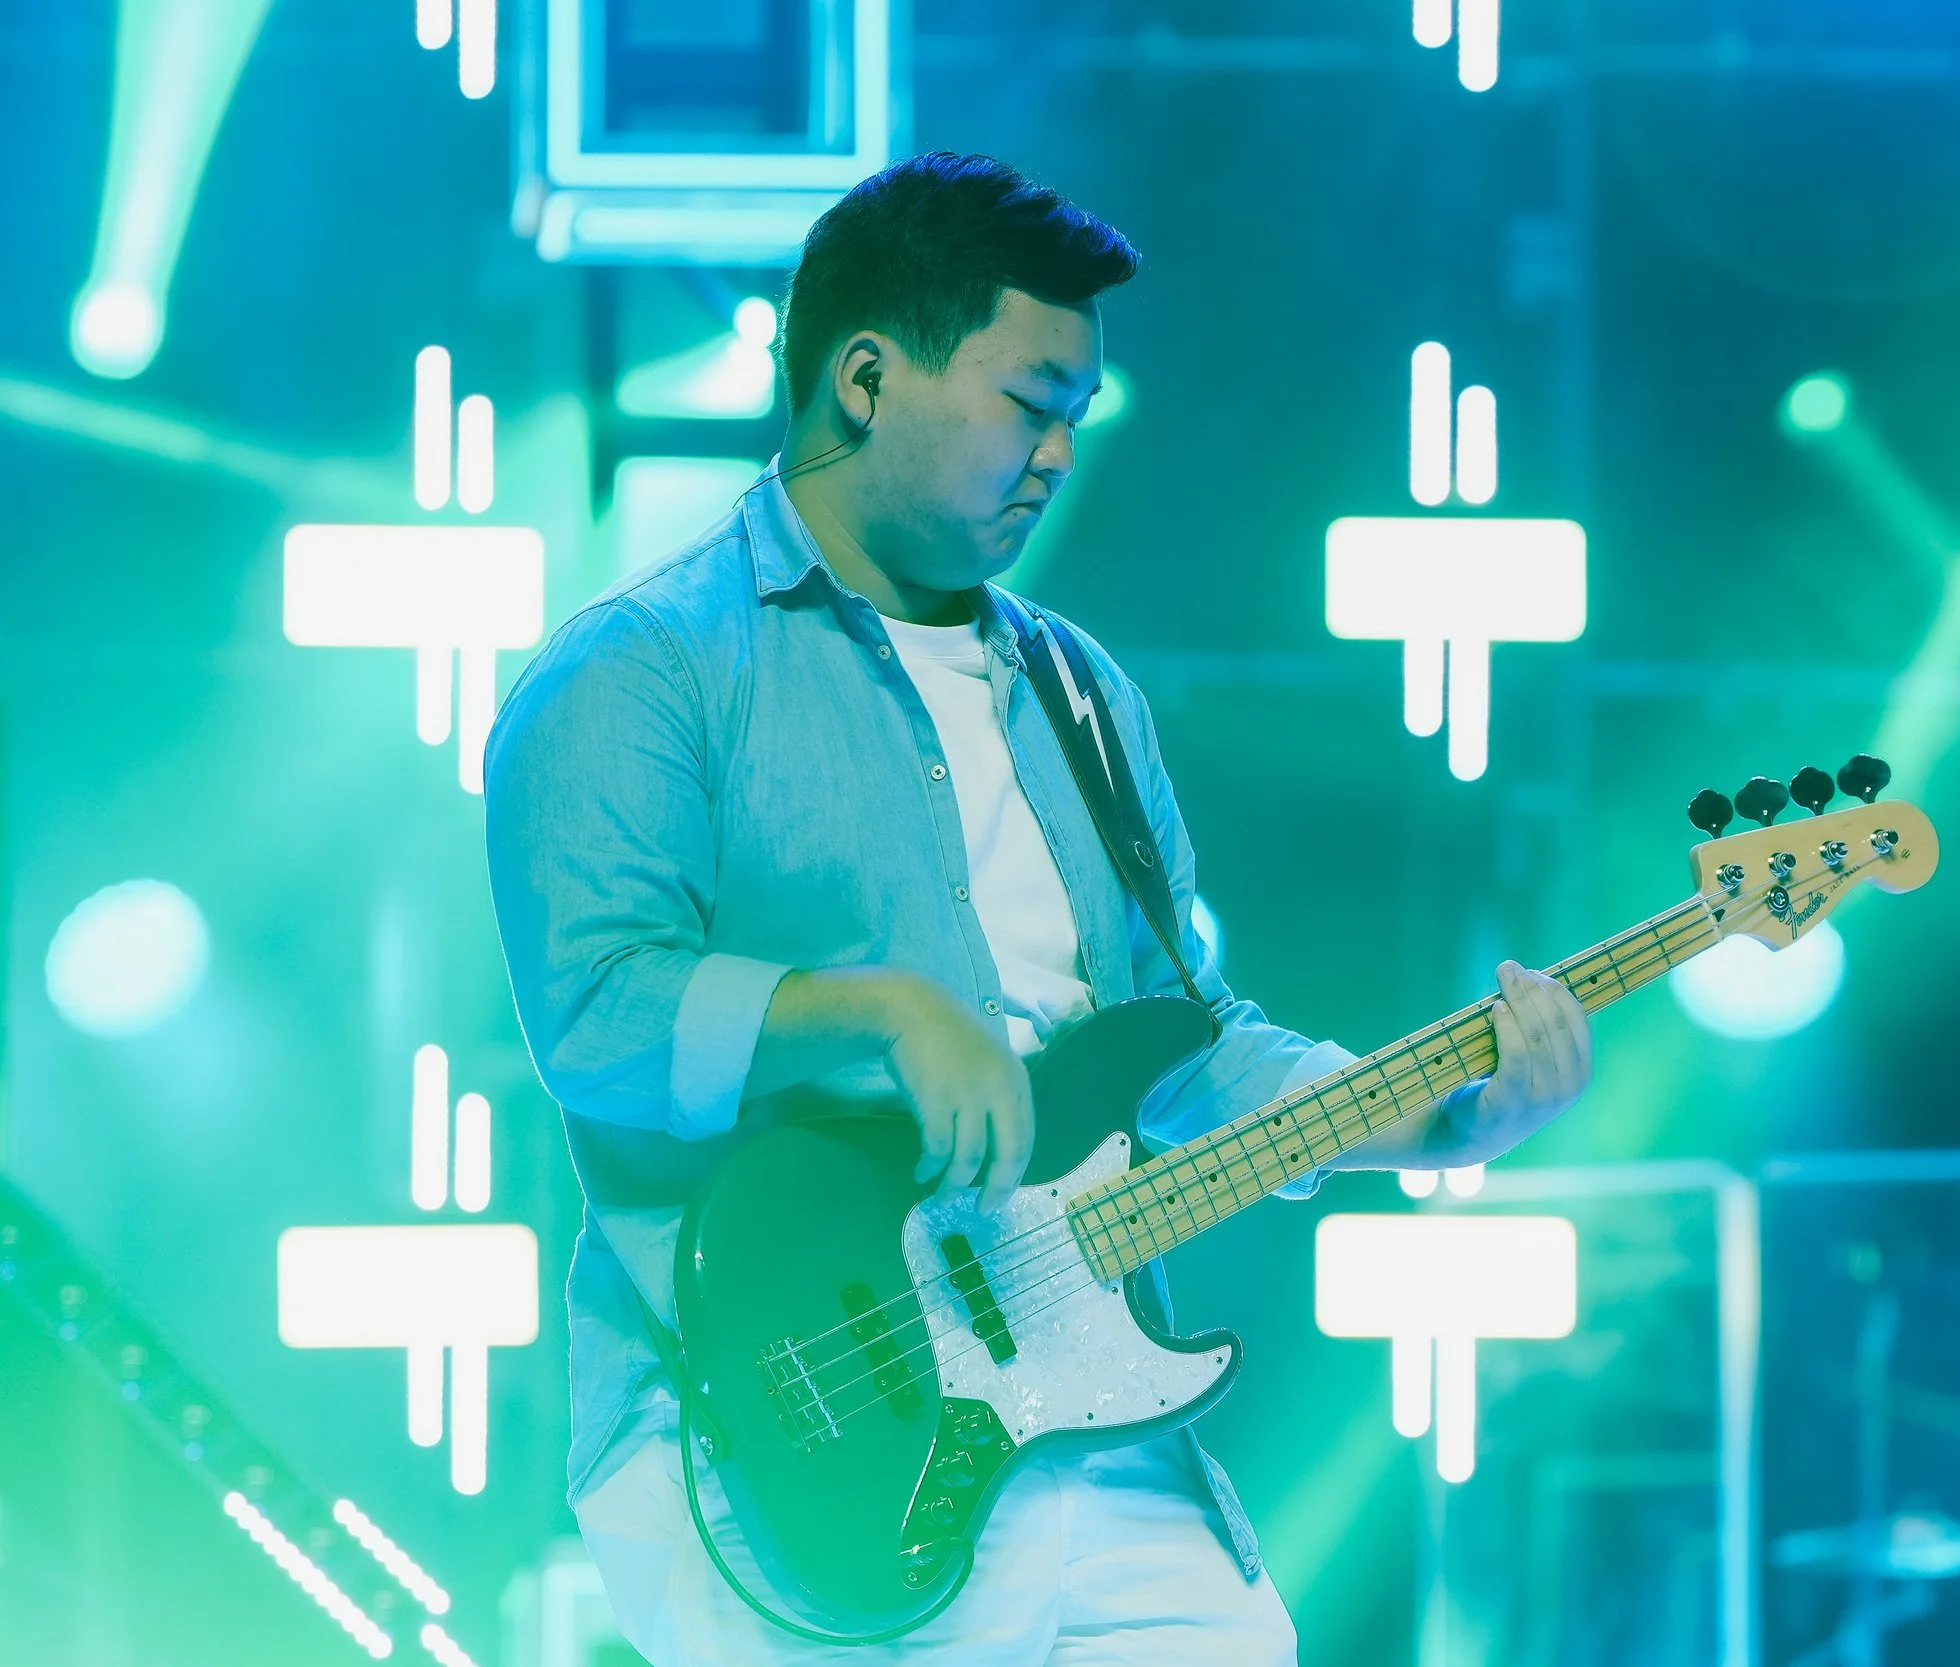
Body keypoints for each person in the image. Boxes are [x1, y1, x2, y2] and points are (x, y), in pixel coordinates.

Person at [482, 150, 1593, 1666]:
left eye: (1077, 417)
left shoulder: (1079, 691)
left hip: (1098, 1417)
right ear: (866, 378)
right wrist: (881, 1008)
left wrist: (1433, 1122)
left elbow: (1187, 1045)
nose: (1059, 454)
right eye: (1030, 404)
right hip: (789, 1443)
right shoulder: (638, 670)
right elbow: (599, 1024)